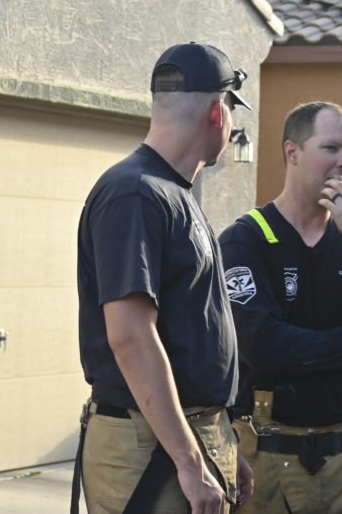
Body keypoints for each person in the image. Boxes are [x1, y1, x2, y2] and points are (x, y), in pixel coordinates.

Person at [73, 42, 254, 514]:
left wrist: (221, 445)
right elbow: (131, 336)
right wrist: (191, 462)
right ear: (218, 111)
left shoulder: (172, 191)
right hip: (150, 450)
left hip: (182, 437)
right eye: (233, 111)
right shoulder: (135, 192)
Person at [219, 101, 342, 513]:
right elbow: (262, 345)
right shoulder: (246, 239)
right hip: (268, 451)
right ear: (292, 152)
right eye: (331, 148)